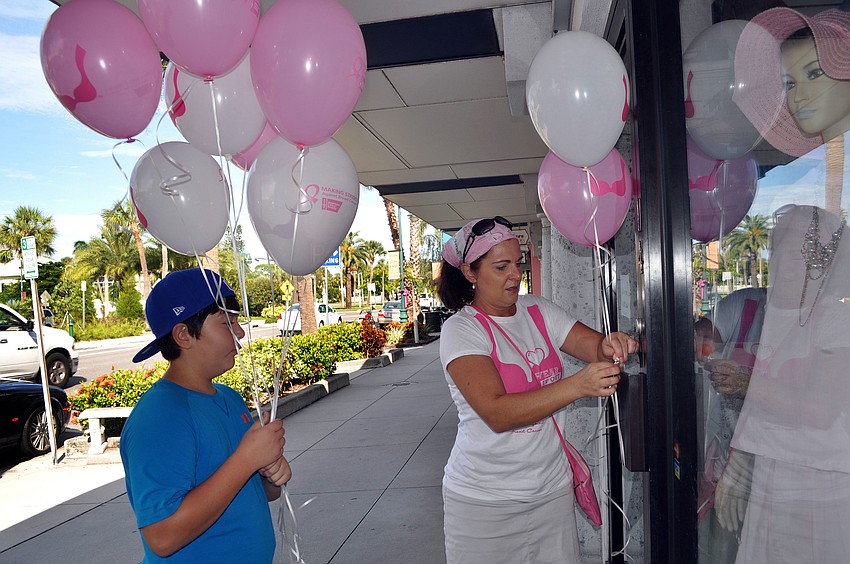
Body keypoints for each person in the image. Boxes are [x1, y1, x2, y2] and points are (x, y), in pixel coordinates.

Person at [436, 216, 638, 563]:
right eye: (501, 267)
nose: (516, 274)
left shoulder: (537, 310)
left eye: (518, 262)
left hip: (550, 493)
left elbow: (594, 347)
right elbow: (497, 413)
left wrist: (612, 344)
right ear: (471, 273)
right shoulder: (462, 330)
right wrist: (578, 385)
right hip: (485, 504)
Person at [120, 268, 292, 563]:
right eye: (227, 322)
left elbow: (248, 492)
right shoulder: (159, 418)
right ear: (184, 335)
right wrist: (247, 459)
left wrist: (269, 474)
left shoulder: (229, 398)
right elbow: (162, 536)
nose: (240, 332)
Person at [693, 288, 767, 564]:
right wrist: (699, 342)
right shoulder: (747, 303)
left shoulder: (814, 319)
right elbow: (706, 336)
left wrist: (748, 384)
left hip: (773, 477)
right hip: (726, 466)